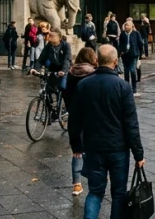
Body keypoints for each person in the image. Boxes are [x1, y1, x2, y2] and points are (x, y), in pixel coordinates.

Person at [69, 44, 145, 219]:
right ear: (116, 61)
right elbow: (131, 124)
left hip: (93, 147)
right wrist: (138, 154)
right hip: (118, 148)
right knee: (119, 194)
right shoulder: (123, 87)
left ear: (97, 60)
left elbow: (74, 119)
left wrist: (76, 145)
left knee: (95, 192)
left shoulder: (84, 85)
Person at [64, 47, 98, 197]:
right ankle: (94, 177)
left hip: (75, 114)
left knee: (77, 150)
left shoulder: (71, 72)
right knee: (93, 148)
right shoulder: (93, 73)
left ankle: (76, 184)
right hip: (91, 115)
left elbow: (65, 92)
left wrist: (70, 107)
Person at [34, 30, 73, 99]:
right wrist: (36, 69)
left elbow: (67, 59)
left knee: (62, 87)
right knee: (47, 89)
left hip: (63, 69)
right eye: (50, 35)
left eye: (53, 36)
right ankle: (49, 106)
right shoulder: (49, 45)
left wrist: (63, 70)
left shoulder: (65, 45)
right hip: (53, 68)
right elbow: (41, 59)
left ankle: (65, 105)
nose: (50, 37)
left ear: (59, 38)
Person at [118, 20, 146, 94]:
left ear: (131, 26)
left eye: (127, 25)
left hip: (133, 55)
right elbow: (120, 44)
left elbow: (140, 44)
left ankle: (134, 89)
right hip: (125, 56)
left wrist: (140, 56)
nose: (126, 26)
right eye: (125, 25)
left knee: (133, 71)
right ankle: (127, 88)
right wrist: (120, 52)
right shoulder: (123, 34)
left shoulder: (136, 33)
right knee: (126, 73)